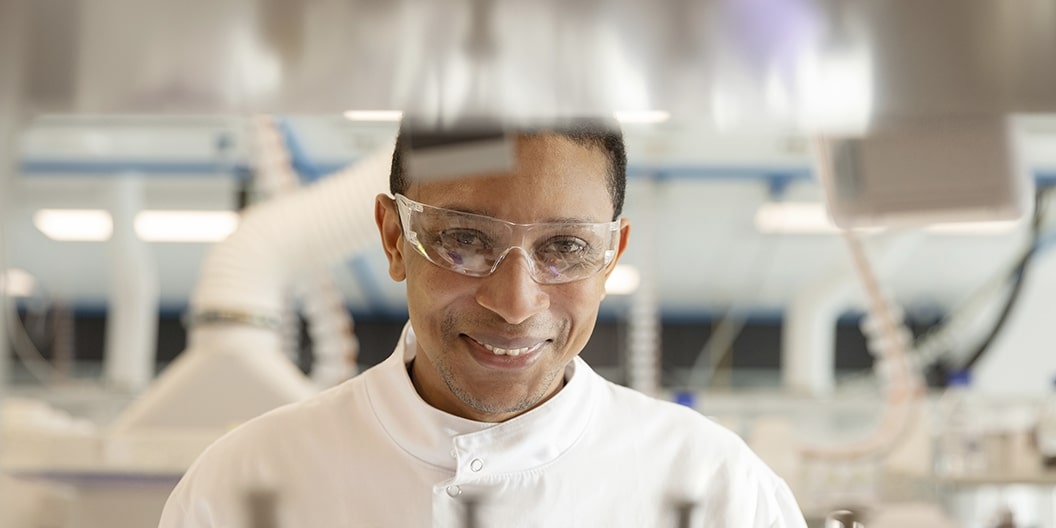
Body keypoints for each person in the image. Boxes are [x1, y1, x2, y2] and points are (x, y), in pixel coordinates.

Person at [158, 118, 807, 527]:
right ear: (392, 238)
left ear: (610, 259)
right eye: (463, 240)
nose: (516, 303)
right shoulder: (241, 486)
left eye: (565, 248)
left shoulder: (718, 487)